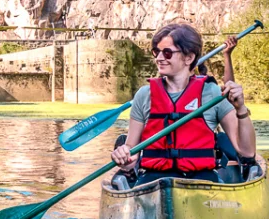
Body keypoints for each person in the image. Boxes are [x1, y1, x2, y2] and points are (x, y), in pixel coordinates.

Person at [110, 23, 258, 187]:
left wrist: (240, 109)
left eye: (167, 53)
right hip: (155, 181)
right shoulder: (144, 95)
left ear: (189, 58)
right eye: (156, 52)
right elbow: (131, 153)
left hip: (202, 180)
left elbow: (246, 151)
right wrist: (124, 157)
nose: (159, 58)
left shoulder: (213, 94)